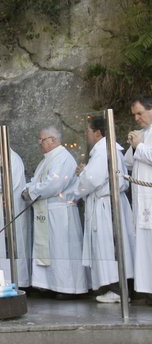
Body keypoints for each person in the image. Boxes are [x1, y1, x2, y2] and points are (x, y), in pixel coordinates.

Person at [75, 115, 135, 303]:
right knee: (113, 245)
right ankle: (118, 288)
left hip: (105, 205)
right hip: (109, 201)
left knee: (109, 246)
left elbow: (92, 180)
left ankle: (116, 289)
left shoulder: (102, 152)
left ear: (98, 132)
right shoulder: (109, 150)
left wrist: (81, 176)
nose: (86, 134)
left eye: (88, 130)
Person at [23, 126, 88, 297]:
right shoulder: (46, 159)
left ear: (53, 139)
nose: (39, 143)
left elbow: (54, 184)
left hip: (60, 212)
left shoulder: (63, 157)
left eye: (42, 139)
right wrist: (29, 188)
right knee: (50, 249)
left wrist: (30, 192)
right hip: (47, 210)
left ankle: (68, 288)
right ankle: (50, 285)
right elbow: (36, 180)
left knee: (62, 250)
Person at [0, 127, 32, 288]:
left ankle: (15, 281)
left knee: (8, 248)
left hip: (8, 212)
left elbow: (6, 182)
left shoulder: (11, 158)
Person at [125, 96, 152, 302]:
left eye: (140, 113)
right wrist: (134, 145)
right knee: (145, 246)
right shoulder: (142, 134)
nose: (136, 118)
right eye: (134, 114)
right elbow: (128, 162)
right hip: (142, 200)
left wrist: (140, 146)